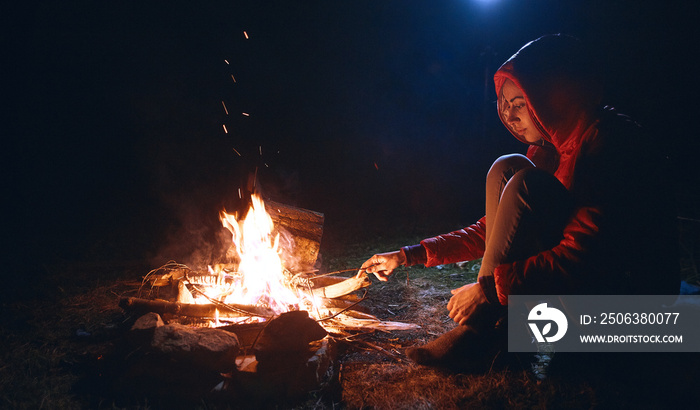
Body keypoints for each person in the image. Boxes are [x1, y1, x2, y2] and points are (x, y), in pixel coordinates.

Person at [360, 34, 678, 371]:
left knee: (524, 180)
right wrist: (408, 255)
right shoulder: (550, 147)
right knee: (507, 168)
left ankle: (481, 334)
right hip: (589, 287)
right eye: (504, 103)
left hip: (635, 308)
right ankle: (494, 333)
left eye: (520, 102)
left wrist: (490, 292)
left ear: (552, 96)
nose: (509, 115)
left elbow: (583, 255)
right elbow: (496, 231)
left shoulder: (606, 143)